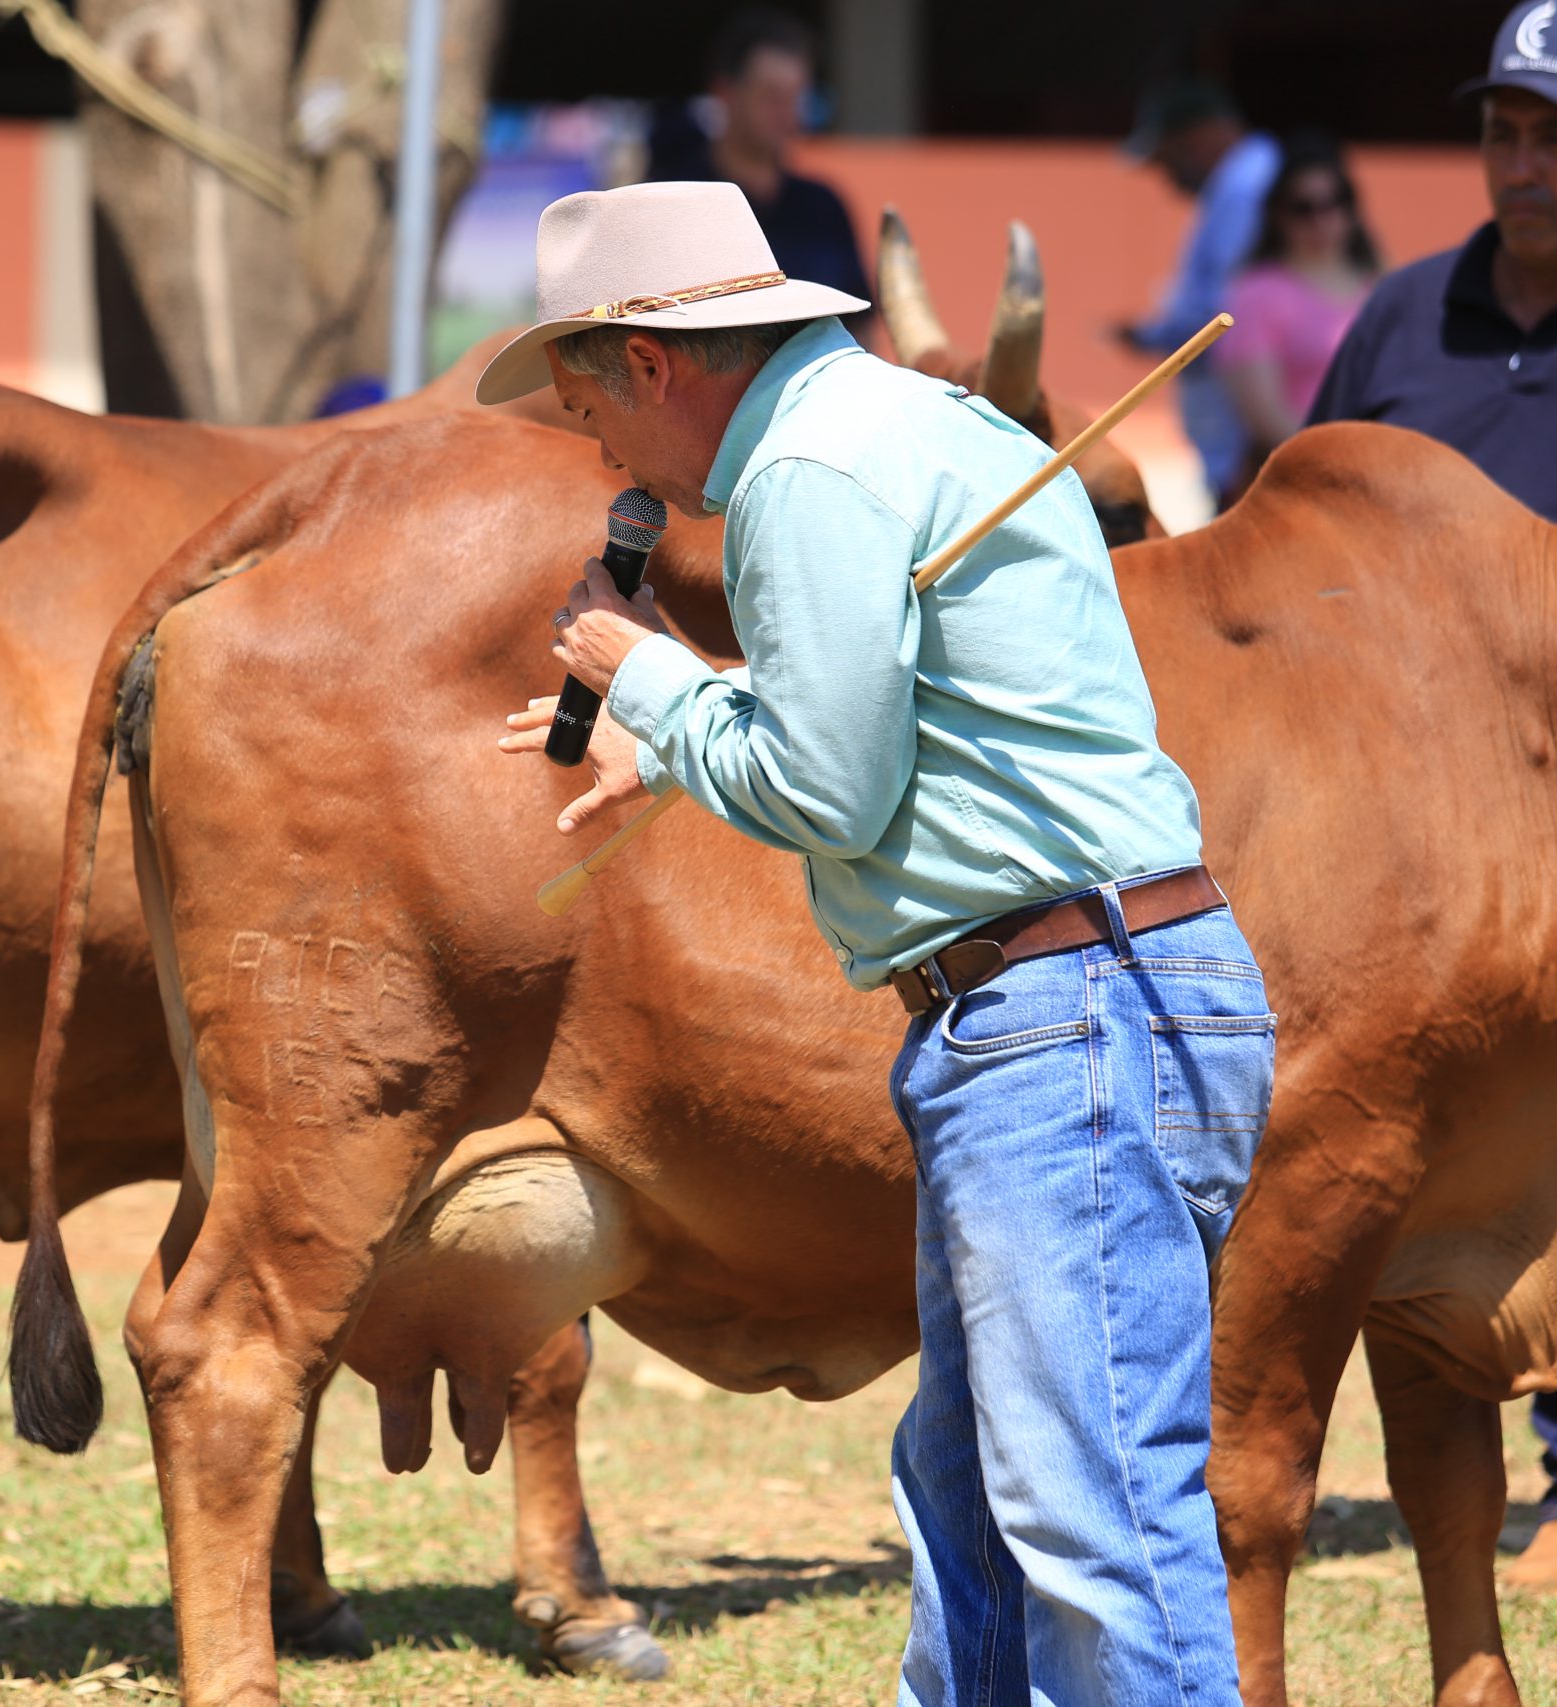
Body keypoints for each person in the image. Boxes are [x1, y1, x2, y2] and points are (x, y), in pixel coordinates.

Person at [483, 180, 1272, 1703]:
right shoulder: (922, 426)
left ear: (648, 360)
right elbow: (946, 711)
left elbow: (832, 790)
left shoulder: (805, 471)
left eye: (590, 408)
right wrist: (694, 726)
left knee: (1092, 1516)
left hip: (1061, 1017)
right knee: (976, 1497)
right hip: (1099, 995)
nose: (603, 455)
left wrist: (648, 677)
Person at [1309, 0, 1557, 1588]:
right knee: (1393, 1133)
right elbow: (1302, 517)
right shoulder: (1406, 316)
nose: (1518, 164)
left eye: (1554, 138)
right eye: (1500, 131)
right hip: (1392, 818)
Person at [647, 8, 879, 348]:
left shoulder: (824, 207)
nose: (788, 114)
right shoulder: (674, 201)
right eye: (771, 96)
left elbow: (861, 328)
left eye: (797, 97)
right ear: (725, 92)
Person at [1118, 80, 1282, 507]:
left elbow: (1234, 314)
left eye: (1170, 157)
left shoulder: (1245, 190)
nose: (1168, 177)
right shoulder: (1245, 185)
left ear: (1201, 137)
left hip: (1251, 446)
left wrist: (1157, 334)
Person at [1217, 136, 1381, 492]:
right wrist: (1334, 465)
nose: (1320, 219)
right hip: (1292, 482)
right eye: (1303, 207)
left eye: (1334, 202)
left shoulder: (1380, 288)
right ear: (1278, 214)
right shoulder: (1256, 294)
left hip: (1374, 478)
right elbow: (1263, 414)